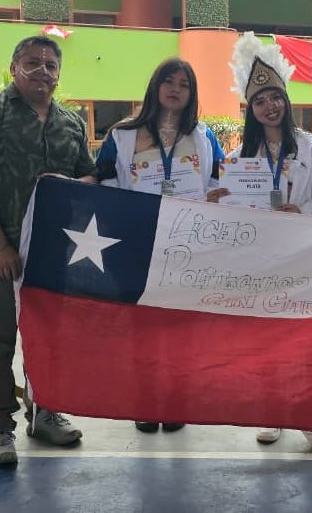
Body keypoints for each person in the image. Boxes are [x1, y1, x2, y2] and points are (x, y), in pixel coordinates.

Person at [0, 36, 98, 466]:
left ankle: (44, 410)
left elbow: (90, 178)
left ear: (59, 75)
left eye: (50, 65)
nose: (42, 71)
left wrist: (71, 186)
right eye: (32, 63)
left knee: (48, 336)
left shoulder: (71, 123)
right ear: (14, 67)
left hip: (52, 251)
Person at [208, 31, 312, 452]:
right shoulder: (236, 159)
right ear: (251, 109)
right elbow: (228, 215)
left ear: (286, 100)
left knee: (309, 340)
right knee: (266, 338)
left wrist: (303, 213)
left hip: (306, 257)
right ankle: (271, 411)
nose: (270, 106)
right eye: (261, 100)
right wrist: (218, 201)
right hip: (261, 262)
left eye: (276, 97)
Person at [95, 57, 225, 434]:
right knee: (142, 324)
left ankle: (176, 398)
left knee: (179, 325)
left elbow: (218, 180)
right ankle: (146, 399)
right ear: (155, 86)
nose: (175, 89)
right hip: (136, 241)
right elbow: (103, 181)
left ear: (191, 93)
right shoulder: (121, 135)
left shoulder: (204, 136)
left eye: (184, 85)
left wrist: (216, 197)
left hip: (187, 242)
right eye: (169, 81)